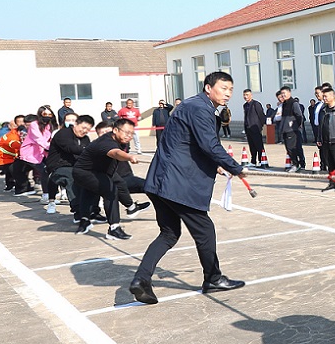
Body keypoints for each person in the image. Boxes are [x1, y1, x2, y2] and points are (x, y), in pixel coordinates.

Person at [128, 71, 248, 305]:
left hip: (161, 181)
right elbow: (209, 144)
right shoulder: (200, 108)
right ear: (208, 88)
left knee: (169, 233)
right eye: (223, 88)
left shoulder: (192, 106)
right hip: (177, 183)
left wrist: (216, 165)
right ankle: (213, 278)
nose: (227, 93)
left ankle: (141, 279)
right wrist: (234, 166)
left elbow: (189, 144)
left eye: (230, 90)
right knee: (205, 230)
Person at [72, 118, 146, 239]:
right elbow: (115, 153)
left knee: (116, 184)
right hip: (85, 172)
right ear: (115, 130)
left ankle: (85, 220)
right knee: (110, 191)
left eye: (132, 134)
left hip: (100, 171)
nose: (129, 136)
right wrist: (129, 157)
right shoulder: (107, 142)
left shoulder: (119, 140)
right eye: (126, 132)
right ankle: (114, 228)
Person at [43, 114, 92, 214]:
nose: (84, 131)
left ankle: (93, 208)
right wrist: (91, 150)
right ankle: (77, 210)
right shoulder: (63, 134)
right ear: (76, 124)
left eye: (87, 129)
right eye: (83, 127)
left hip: (76, 166)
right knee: (70, 176)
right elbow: (70, 148)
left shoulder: (85, 139)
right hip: (58, 166)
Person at [16, 107, 55, 201]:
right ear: (40, 114)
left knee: (50, 170)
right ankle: (46, 195)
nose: (47, 116)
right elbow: (39, 139)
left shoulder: (49, 125)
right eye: (45, 114)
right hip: (30, 153)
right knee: (44, 171)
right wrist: (51, 148)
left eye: (50, 114)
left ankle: (52, 192)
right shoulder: (34, 125)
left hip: (42, 152)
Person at [274, 87, 308, 171]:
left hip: (292, 130)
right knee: (289, 148)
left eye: (284, 93)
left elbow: (299, 116)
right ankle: (296, 163)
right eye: (282, 93)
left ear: (289, 93)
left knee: (293, 147)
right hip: (285, 129)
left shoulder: (293, 103)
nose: (283, 95)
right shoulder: (284, 104)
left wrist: (296, 126)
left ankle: (297, 164)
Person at [0, 119, 23, 191]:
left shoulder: (11, 133)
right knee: (19, 167)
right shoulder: (12, 137)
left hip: (0, 158)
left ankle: (10, 185)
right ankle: (21, 187)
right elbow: (19, 148)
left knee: (11, 169)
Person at [240, 89, 268, 165]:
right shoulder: (245, 105)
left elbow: (261, 115)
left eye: (247, 95)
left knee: (258, 145)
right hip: (248, 128)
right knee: (252, 145)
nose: (245, 97)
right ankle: (253, 161)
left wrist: (260, 126)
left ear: (251, 95)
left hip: (255, 128)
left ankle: (261, 160)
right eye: (244, 95)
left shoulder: (256, 104)